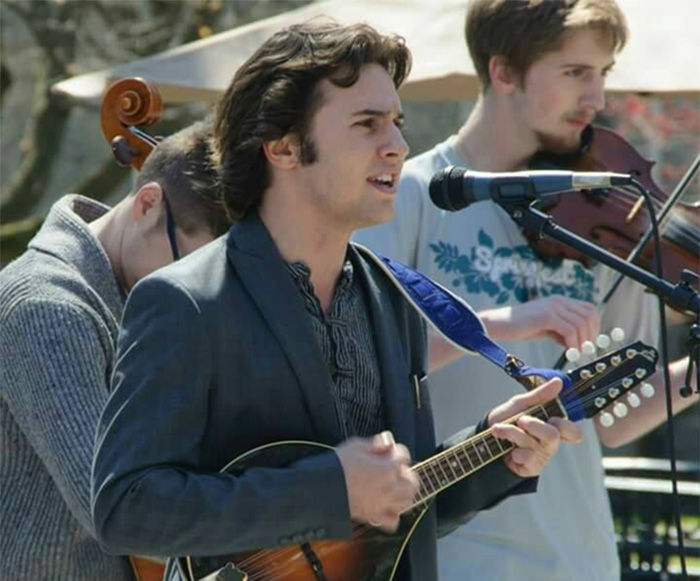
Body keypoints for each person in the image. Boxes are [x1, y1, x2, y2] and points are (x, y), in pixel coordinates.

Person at [90, 22, 581, 581]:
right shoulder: (183, 302)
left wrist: (495, 454)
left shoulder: (394, 299)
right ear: (283, 147)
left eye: (396, 123)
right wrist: (330, 489)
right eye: (366, 124)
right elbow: (125, 508)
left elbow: (392, 517)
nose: (397, 145)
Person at [354, 1, 698, 580]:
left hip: (582, 559)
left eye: (603, 73)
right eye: (574, 73)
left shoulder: (613, 215)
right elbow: (363, 368)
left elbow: (614, 418)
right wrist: (506, 320)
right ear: (504, 72)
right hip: (454, 556)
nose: (597, 99)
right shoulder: (407, 196)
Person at [0, 120, 229, 581]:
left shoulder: (139, 302)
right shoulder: (46, 307)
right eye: (193, 266)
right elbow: (117, 506)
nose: (199, 291)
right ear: (147, 204)